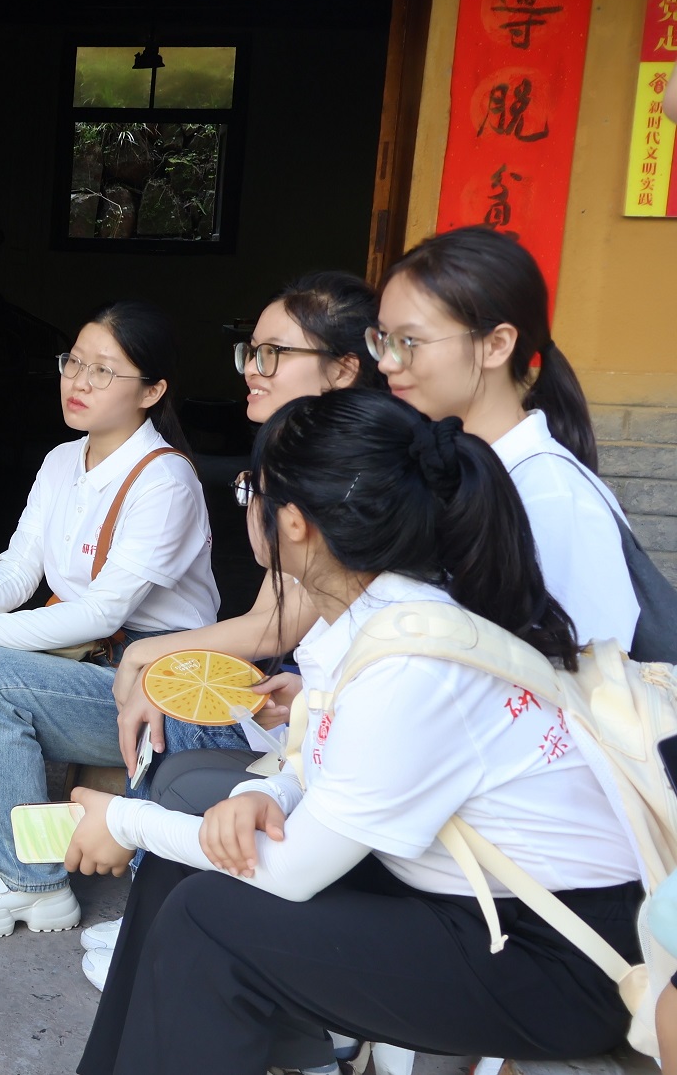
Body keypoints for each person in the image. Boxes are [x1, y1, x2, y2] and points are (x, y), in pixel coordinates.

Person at [69, 388, 641, 1075]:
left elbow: (290, 874)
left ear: (294, 523)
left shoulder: (410, 661)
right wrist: (270, 794)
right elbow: (328, 757)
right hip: (469, 897)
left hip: (556, 956)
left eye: (250, 490)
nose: (246, 504)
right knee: (189, 863)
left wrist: (124, 822)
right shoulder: (373, 616)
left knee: (207, 919)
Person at [0, 300, 224, 939]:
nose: (78, 381)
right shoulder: (61, 461)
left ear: (152, 391)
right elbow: (20, 570)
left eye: (103, 370)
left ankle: (30, 880)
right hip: (86, 657)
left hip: (151, 684)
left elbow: (104, 611)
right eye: (74, 362)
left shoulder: (165, 481)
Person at [92, 272, 384, 989]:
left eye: (274, 354)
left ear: (344, 369)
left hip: (355, 763)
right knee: (183, 691)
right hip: (317, 711)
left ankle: (172, 908)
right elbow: (275, 621)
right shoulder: (298, 450)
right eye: (251, 351)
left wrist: (148, 653)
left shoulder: (356, 473)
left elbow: (276, 626)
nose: (254, 369)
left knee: (181, 705)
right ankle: (163, 906)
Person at [371, 224, 637, 650]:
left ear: (496, 345)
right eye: (383, 338)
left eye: (409, 340)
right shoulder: (449, 467)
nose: (386, 362)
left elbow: (594, 669)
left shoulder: (553, 497)